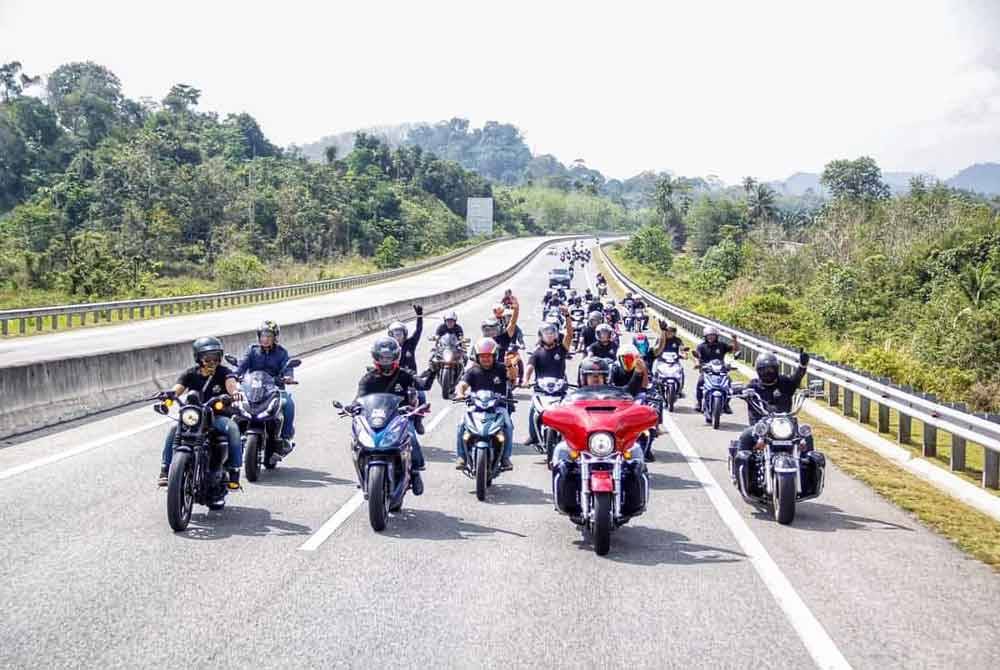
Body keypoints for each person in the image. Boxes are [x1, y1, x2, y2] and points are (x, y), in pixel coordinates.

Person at [353, 336, 436, 495]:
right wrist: (352, 407)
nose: (386, 361)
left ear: (396, 356)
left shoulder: (404, 375)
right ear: (376, 357)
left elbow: (423, 385)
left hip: (399, 416)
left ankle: (415, 471)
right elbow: (359, 397)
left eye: (389, 357)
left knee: (411, 435)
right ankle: (363, 474)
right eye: (382, 357)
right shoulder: (369, 378)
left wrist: (433, 371)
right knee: (358, 440)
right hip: (374, 418)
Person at [158, 336, 242, 490]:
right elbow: (178, 388)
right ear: (198, 358)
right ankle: (165, 469)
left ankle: (234, 471)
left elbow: (231, 383)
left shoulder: (224, 372)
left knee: (233, 429)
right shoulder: (191, 373)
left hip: (216, 416)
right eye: (207, 358)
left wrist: (235, 392)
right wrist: (167, 398)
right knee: (172, 429)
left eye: (215, 358)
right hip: (194, 417)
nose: (212, 362)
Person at [734, 350, 817, 467]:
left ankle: (808, 475)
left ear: (776, 369)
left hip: (785, 424)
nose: (768, 372)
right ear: (758, 370)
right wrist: (738, 391)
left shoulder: (784, 382)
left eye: (771, 369)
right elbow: (742, 391)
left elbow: (796, 379)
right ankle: (741, 474)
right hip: (760, 426)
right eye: (764, 369)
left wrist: (802, 366)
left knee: (806, 437)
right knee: (745, 437)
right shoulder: (753, 386)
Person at [234, 320, 296, 459]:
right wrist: (234, 375)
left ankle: (285, 439)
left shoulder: (281, 353)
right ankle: (230, 437)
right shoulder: (252, 350)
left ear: (275, 337)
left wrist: (288, 377)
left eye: (269, 336)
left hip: (274, 389)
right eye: (263, 335)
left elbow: (288, 367)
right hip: (252, 388)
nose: (265, 339)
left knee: (288, 404)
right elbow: (242, 366)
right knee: (234, 404)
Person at [453, 337, 515, 471]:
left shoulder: (501, 368)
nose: (486, 359)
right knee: (461, 426)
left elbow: (513, 377)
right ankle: (462, 457)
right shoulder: (473, 371)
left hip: (498, 408)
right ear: (477, 357)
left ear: (494, 356)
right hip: (476, 407)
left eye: (488, 356)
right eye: (482, 356)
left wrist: (510, 365)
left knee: (508, 426)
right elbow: (462, 385)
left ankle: (505, 458)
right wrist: (460, 393)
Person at [522, 306, 574, 446]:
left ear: (556, 334)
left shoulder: (561, 350)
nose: (549, 335)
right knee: (533, 410)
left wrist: (567, 316)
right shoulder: (537, 352)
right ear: (541, 335)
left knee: (569, 412)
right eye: (546, 333)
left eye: (552, 332)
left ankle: (570, 436)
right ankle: (533, 435)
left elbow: (569, 335)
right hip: (541, 391)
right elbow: (530, 367)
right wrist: (525, 380)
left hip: (560, 390)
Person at [388, 303, 426, 433]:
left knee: (421, 395)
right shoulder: (387, 348)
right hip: (393, 379)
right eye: (395, 334)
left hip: (410, 380)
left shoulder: (410, 344)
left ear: (405, 334)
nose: (398, 336)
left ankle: (418, 421)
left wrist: (419, 316)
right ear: (390, 335)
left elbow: (419, 330)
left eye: (400, 333)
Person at [693, 326, 739, 412]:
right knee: (700, 382)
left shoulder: (721, 345)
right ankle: (699, 403)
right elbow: (697, 357)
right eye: (708, 335)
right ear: (705, 336)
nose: (711, 337)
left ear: (716, 336)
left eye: (713, 335)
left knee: (728, 383)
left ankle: (726, 404)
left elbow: (734, 350)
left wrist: (734, 340)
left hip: (720, 371)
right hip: (707, 371)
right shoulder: (701, 346)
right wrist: (697, 364)